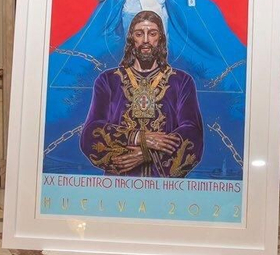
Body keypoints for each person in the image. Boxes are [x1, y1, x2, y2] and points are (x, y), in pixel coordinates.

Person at [80, 10, 204, 178]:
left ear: (160, 38)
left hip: (164, 187)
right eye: (139, 34)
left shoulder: (181, 82)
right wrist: (138, 137)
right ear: (132, 39)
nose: (146, 40)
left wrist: (148, 154)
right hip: (120, 184)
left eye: (152, 33)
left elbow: (192, 133)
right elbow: (91, 133)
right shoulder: (108, 81)